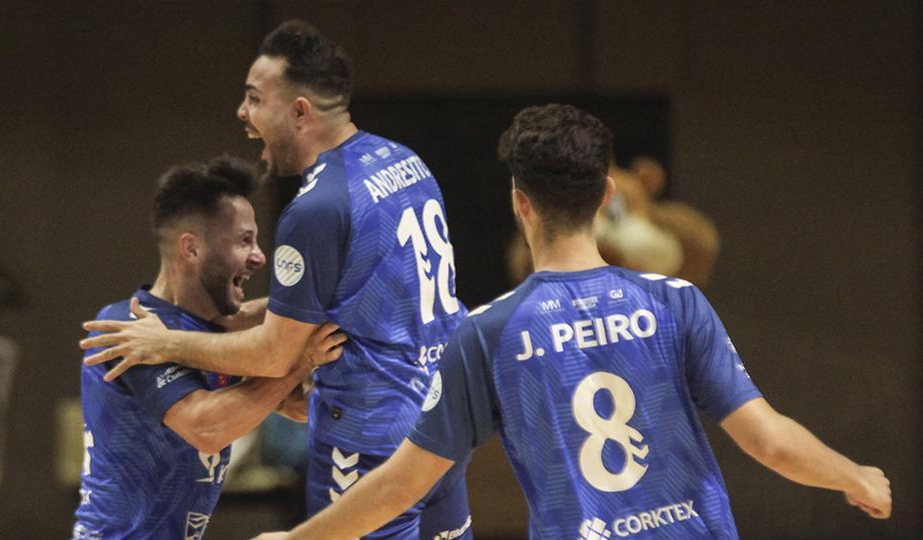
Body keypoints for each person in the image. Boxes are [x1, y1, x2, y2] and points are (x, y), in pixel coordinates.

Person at [265, 104, 891, 539]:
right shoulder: (676, 302)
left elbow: (403, 484)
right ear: (606, 198)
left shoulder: (487, 334)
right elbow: (770, 442)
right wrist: (852, 474)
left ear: (520, 204)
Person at [79, 21, 472, 539]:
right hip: (435, 421)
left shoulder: (315, 208)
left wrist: (174, 342)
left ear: (300, 111)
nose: (243, 113)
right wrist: (286, 368)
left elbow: (271, 357)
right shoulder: (404, 161)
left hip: (368, 432)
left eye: (254, 99)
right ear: (190, 249)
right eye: (243, 241)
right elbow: (226, 412)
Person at [72, 156, 343, 539]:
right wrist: (302, 361)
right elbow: (207, 427)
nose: (259, 256)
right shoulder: (130, 328)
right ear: (192, 249)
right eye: (244, 240)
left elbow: (295, 404)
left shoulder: (209, 333)